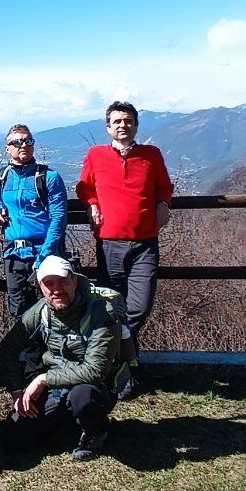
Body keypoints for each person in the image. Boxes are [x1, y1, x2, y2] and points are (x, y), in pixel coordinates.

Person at [75, 101, 173, 394]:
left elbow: (164, 187)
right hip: (109, 244)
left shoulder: (150, 155)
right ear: (108, 127)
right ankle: (123, 370)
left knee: (138, 307)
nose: (122, 125)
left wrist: (163, 204)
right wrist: (91, 205)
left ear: (135, 126)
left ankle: (115, 357)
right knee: (110, 307)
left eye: (128, 121)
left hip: (145, 243)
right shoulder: (96, 155)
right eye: (117, 121)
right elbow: (84, 187)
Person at [0, 255, 123, 461]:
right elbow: (8, 347)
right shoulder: (41, 310)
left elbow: (95, 370)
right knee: (14, 439)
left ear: (74, 280)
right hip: (57, 385)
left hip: (96, 387)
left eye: (63, 281)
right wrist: (16, 390)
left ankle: (97, 430)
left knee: (81, 397)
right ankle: (66, 420)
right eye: (49, 283)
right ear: (40, 287)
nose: (57, 289)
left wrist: (43, 379)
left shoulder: (101, 311)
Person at [0, 124, 68, 318]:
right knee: (18, 310)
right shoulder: (1, 177)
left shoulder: (49, 177)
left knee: (50, 309)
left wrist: (45, 254)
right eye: (17, 142)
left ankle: (50, 349)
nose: (23, 145)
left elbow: (58, 218)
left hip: (43, 252)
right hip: (13, 254)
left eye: (28, 141)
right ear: (7, 148)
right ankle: (28, 349)